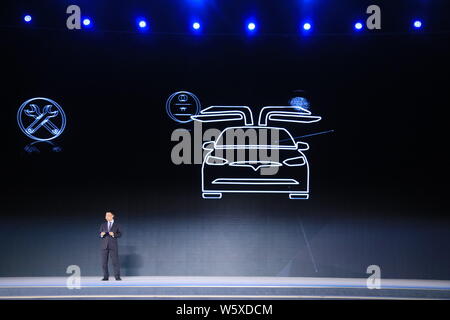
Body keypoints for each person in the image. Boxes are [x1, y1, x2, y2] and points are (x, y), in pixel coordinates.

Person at [99, 211, 122, 280]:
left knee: (115, 262)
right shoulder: (103, 225)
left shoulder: (117, 225)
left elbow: (120, 234)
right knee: (104, 262)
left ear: (112, 216)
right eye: (106, 215)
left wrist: (114, 234)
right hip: (104, 246)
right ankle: (105, 277)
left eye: (108, 215)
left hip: (113, 245)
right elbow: (100, 233)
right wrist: (101, 234)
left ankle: (117, 277)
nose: (106, 217)